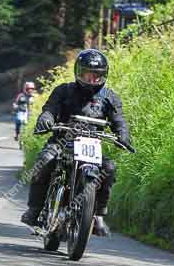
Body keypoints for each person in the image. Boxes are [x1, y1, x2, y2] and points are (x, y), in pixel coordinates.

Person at [20, 49, 134, 237]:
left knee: (110, 168)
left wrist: (123, 135)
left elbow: (119, 120)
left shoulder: (109, 97)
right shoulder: (63, 90)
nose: (91, 79)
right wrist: (46, 119)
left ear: (104, 75)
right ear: (78, 72)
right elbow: (50, 109)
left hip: (91, 146)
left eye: (96, 75)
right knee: (46, 160)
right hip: (62, 142)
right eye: (86, 74)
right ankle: (34, 209)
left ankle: (98, 215)